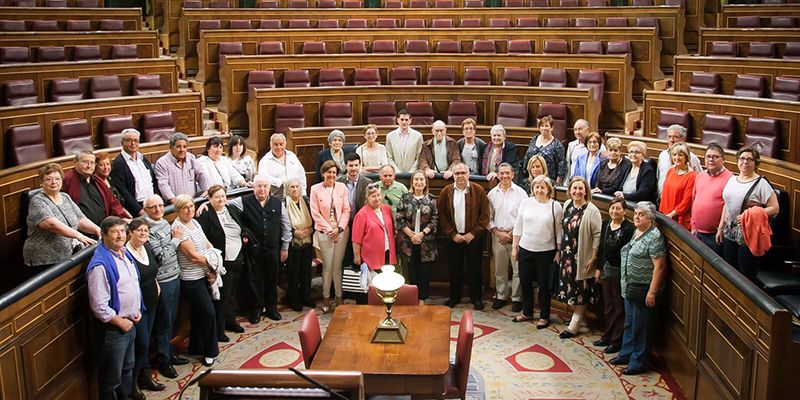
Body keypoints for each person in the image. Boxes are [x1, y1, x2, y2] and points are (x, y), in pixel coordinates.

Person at [87, 216, 141, 400]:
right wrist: (121, 322)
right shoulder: (100, 265)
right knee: (111, 379)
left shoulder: (124, 253)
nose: (120, 236)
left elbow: (133, 284)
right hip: (115, 329)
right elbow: (99, 306)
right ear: (103, 235)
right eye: (114, 232)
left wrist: (137, 309)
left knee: (127, 369)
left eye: (122, 231)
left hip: (130, 322)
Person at [610, 201, 667, 375]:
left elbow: (660, 266)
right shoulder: (637, 231)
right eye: (635, 213)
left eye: (641, 214)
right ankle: (626, 353)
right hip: (629, 286)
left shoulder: (655, 236)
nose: (636, 216)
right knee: (630, 322)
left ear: (650, 218)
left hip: (643, 289)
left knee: (641, 327)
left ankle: (639, 361)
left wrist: (652, 291)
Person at [228, 174, 292, 322]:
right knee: (254, 280)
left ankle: (271, 308)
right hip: (253, 250)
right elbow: (225, 204)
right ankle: (256, 309)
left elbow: (286, 226)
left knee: (272, 279)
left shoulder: (278, 203)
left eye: (265, 186)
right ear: (254, 187)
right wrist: (206, 204)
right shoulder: (243, 201)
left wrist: (285, 247)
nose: (262, 189)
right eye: (259, 186)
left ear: (269, 188)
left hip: (273, 250)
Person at [142, 194, 189, 379]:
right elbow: (160, 258)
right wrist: (176, 240)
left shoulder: (163, 223)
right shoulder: (147, 229)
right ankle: (163, 360)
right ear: (146, 210)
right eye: (153, 207)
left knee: (171, 319)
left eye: (161, 206)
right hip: (163, 280)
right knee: (163, 322)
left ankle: (168, 353)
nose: (158, 210)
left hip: (175, 276)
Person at [717, 147, 779, 280]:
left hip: (748, 235)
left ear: (756, 163)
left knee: (746, 277)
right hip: (729, 234)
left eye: (749, 159)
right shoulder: (732, 179)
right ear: (737, 161)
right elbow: (726, 205)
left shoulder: (761, 183)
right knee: (730, 274)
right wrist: (720, 227)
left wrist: (752, 214)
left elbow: (775, 208)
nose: (745, 162)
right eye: (742, 158)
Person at [24, 163, 100, 271]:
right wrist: (79, 236)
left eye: (57, 178)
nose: (54, 182)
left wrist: (98, 230)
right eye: (48, 179)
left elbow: (80, 219)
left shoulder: (65, 197)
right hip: (43, 259)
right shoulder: (37, 201)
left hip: (66, 255)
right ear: (41, 183)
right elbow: (52, 224)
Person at [172, 194, 219, 367]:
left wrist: (211, 268)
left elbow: (207, 245)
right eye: (185, 207)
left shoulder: (195, 222)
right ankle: (210, 351)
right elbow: (192, 257)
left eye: (191, 206)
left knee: (201, 313)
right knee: (208, 313)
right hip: (191, 279)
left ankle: (196, 347)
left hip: (203, 274)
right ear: (178, 209)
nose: (190, 210)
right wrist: (213, 264)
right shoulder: (178, 228)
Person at [196, 185, 246, 342]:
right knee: (222, 298)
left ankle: (231, 322)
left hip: (237, 259)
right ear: (209, 198)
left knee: (233, 295)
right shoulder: (205, 215)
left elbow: (241, 227)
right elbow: (202, 240)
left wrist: (244, 235)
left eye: (223, 196)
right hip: (220, 263)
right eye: (217, 196)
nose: (221, 199)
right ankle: (219, 329)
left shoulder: (231, 209)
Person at [511, 175, 562, 328]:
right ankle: (527, 312)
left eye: (542, 187)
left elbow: (559, 230)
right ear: (532, 188)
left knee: (543, 285)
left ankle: (544, 316)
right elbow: (518, 226)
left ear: (548, 190)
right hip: (526, 248)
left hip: (546, 251)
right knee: (525, 281)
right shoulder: (526, 203)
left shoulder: (555, 206)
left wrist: (558, 251)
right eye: (537, 187)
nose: (539, 190)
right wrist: (515, 247)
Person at [438, 162, 490, 310]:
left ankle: (476, 298)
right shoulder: (446, 191)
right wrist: (452, 234)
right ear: (453, 175)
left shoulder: (478, 190)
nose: (460, 176)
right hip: (453, 238)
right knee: (455, 269)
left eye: (463, 173)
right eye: (457, 173)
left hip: (473, 238)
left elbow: (485, 215)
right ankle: (455, 297)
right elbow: (442, 215)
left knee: (475, 269)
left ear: (468, 174)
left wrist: (473, 233)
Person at [557, 177, 602, 339]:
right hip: (567, 255)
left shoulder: (591, 210)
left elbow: (597, 235)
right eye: (574, 188)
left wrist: (594, 257)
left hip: (582, 256)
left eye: (580, 189)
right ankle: (578, 318)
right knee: (572, 288)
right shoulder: (567, 205)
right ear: (570, 190)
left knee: (582, 289)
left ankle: (574, 325)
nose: (577, 192)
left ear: (586, 191)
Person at [125, 217, 165, 398]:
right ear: (130, 233)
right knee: (140, 344)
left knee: (146, 342)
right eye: (139, 230)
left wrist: (155, 282)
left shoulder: (146, 247)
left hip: (151, 301)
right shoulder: (125, 253)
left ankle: (145, 376)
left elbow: (152, 270)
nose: (143, 234)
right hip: (137, 307)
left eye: (146, 231)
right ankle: (132, 383)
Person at [592, 198, 634, 355]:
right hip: (606, 270)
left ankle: (617, 340)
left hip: (619, 272)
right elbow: (602, 248)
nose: (614, 211)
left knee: (618, 308)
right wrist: (598, 268)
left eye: (618, 209)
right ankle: (607, 335)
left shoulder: (629, 229)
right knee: (608, 305)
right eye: (612, 208)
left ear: (624, 211)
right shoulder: (606, 224)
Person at [310, 160, 351, 313]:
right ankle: (326, 297)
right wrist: (330, 230)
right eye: (329, 172)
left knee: (337, 266)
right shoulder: (315, 189)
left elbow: (347, 209)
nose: (331, 175)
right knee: (327, 266)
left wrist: (339, 228)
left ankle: (339, 297)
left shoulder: (342, 187)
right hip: (324, 233)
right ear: (323, 173)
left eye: (334, 172)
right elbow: (315, 213)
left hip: (341, 231)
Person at [488, 163, 528, 312]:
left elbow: (523, 216)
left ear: (513, 174)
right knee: (500, 268)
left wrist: (511, 234)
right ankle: (501, 296)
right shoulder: (492, 194)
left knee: (517, 269)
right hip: (498, 236)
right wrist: (498, 233)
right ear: (498, 175)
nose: (504, 176)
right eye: (501, 173)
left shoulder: (521, 193)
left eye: (507, 173)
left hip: (516, 236)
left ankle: (517, 298)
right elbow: (488, 217)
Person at [395, 170, 438, 303]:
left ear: (425, 182)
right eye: (416, 179)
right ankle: (411, 298)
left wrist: (422, 234)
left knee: (424, 272)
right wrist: (411, 234)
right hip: (408, 242)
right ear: (412, 182)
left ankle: (422, 299)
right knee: (411, 271)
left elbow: (435, 219)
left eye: (421, 180)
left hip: (426, 243)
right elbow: (399, 217)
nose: (419, 182)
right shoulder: (405, 197)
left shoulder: (431, 199)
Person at [62, 150, 132, 226]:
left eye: (92, 163)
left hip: (104, 229)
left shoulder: (99, 181)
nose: (89, 166)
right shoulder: (66, 179)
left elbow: (113, 203)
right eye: (85, 162)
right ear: (75, 162)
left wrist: (123, 217)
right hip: (81, 231)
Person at [691, 144, 732, 255]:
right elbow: (694, 200)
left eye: (715, 156)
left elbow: (728, 208)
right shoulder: (700, 176)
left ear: (723, 159)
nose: (711, 159)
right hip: (697, 232)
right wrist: (693, 225)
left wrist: (720, 229)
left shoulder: (730, 179)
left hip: (716, 235)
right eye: (708, 156)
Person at [111, 128, 159, 217]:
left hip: (153, 204)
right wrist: (139, 210)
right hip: (138, 209)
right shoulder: (118, 163)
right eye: (129, 140)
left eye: (136, 140)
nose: (133, 143)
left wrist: (158, 201)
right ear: (122, 143)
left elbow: (153, 181)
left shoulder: (143, 159)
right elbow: (122, 191)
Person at [155, 133, 213, 204]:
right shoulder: (162, 163)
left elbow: (201, 174)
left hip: (193, 202)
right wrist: (174, 201)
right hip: (175, 205)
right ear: (171, 147)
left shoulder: (191, 158)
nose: (182, 150)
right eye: (178, 146)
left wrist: (208, 190)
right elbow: (163, 184)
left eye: (184, 147)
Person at [352, 183, 398, 274]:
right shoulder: (361, 214)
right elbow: (356, 240)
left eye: (378, 195)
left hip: (388, 252)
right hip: (372, 257)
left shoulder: (387, 209)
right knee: (375, 284)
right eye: (373, 196)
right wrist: (357, 256)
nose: (377, 199)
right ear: (367, 198)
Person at [284, 178, 315, 311]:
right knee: (294, 273)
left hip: (307, 242)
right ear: (287, 189)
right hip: (293, 244)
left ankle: (305, 297)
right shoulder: (284, 203)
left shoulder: (306, 201)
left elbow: (314, 219)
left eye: (297, 186)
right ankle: (293, 299)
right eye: (292, 187)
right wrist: (294, 232)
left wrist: (309, 230)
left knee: (306, 272)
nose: (295, 189)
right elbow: (282, 224)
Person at [337, 153, 372, 268]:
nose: (354, 168)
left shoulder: (367, 182)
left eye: (356, 165)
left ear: (360, 166)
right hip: (343, 224)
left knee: (359, 256)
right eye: (351, 165)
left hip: (361, 225)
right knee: (344, 255)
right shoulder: (339, 182)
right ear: (346, 166)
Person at [520, 116, 566, 189]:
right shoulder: (534, 139)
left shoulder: (557, 145)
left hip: (548, 182)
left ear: (552, 128)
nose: (544, 128)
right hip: (531, 180)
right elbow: (527, 157)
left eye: (547, 126)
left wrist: (557, 184)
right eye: (542, 126)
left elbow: (561, 165)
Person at [657, 125, 702, 197]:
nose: (671, 140)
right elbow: (659, 176)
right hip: (662, 198)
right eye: (669, 136)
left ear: (683, 139)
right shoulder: (662, 155)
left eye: (675, 137)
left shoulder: (692, 158)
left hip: (680, 200)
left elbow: (700, 180)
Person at [659, 143, 696, 230]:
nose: (677, 158)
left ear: (686, 157)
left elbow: (687, 201)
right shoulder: (671, 170)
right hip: (665, 214)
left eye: (680, 155)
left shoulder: (692, 176)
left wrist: (672, 214)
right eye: (674, 155)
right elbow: (665, 192)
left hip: (678, 218)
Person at [257, 133, 307, 198]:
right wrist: (281, 182)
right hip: (278, 197)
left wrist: (303, 194)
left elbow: (301, 175)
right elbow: (263, 178)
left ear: (285, 144)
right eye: (276, 144)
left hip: (296, 196)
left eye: (281, 144)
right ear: (270, 145)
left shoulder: (292, 156)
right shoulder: (265, 161)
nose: (279, 147)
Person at [385, 108, 424, 173]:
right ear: (397, 120)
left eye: (406, 120)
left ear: (410, 121)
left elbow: (419, 157)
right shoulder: (390, 136)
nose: (404, 122)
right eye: (402, 119)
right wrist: (397, 172)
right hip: (396, 174)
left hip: (412, 174)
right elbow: (389, 157)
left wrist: (411, 172)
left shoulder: (418, 136)